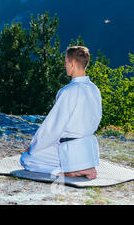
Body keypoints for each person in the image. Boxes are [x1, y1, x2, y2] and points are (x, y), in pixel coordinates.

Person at [20, 46, 102, 179]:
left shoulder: (68, 91)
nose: (65, 66)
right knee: (46, 148)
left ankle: (71, 171)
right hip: (89, 149)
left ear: (72, 63)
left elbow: (53, 127)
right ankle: (85, 166)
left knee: (27, 159)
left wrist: (33, 145)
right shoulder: (94, 89)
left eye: (65, 62)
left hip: (70, 147)